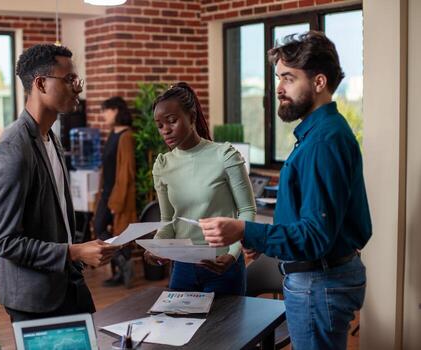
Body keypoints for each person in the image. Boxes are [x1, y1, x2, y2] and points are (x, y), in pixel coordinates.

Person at [200, 31, 372, 349]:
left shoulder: (323, 141)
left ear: (319, 82)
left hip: (318, 283)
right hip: (323, 278)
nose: (278, 88)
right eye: (279, 78)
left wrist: (243, 230)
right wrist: (267, 244)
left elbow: (315, 237)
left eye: (289, 78)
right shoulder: (322, 132)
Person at [0, 44, 119, 323]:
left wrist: (82, 250)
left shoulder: (52, 139)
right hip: (34, 297)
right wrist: (74, 251)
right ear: (41, 84)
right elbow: (4, 241)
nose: (78, 87)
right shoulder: (13, 148)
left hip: (68, 283)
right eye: (69, 79)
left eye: (77, 79)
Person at [144, 82, 256, 295]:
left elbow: (247, 211)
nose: (165, 130)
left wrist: (232, 255)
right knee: (178, 327)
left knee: (226, 329)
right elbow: (168, 221)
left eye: (172, 121)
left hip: (224, 263)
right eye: (159, 125)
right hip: (182, 267)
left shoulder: (224, 155)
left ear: (192, 117)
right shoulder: (162, 165)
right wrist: (156, 247)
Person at [93, 96, 137, 288]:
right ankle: (122, 265)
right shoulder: (112, 133)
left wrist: (116, 202)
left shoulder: (126, 136)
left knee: (118, 233)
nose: (103, 114)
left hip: (118, 195)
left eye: (106, 110)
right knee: (99, 227)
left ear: (117, 110)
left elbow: (126, 172)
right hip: (106, 192)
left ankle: (123, 268)